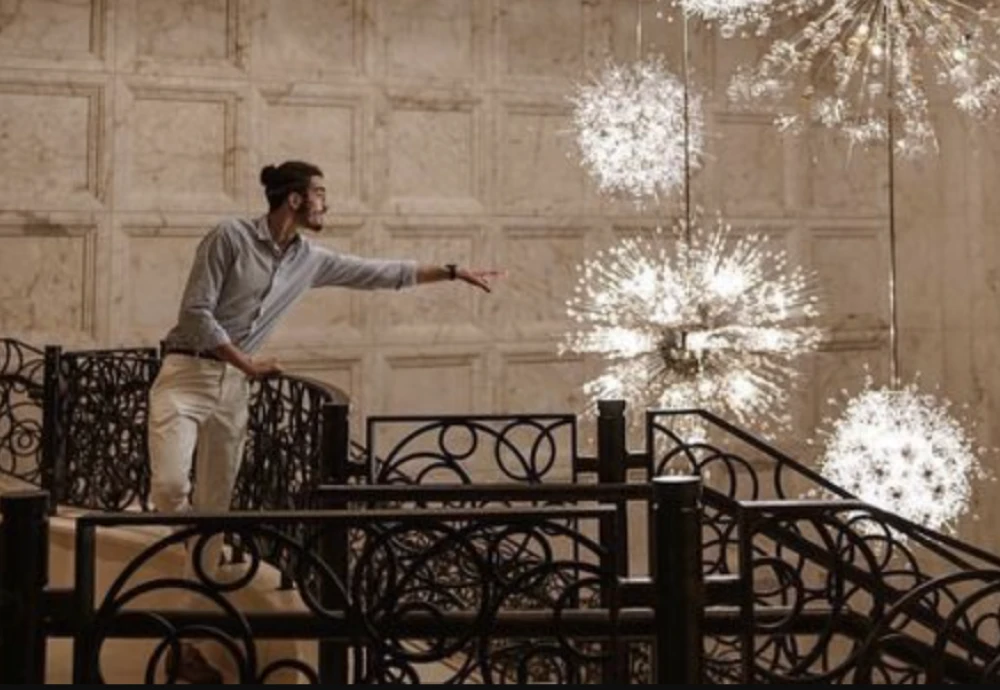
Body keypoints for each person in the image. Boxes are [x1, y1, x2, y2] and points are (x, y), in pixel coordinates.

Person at [148, 160, 499, 682]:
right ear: (294, 199)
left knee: (213, 520)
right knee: (170, 489)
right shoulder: (229, 237)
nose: (326, 205)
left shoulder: (309, 260)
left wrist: (449, 271)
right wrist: (247, 362)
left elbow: (378, 273)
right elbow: (197, 311)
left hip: (234, 391)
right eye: (320, 194)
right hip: (186, 373)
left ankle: (187, 644)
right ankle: (172, 592)